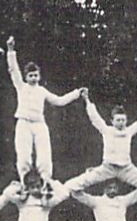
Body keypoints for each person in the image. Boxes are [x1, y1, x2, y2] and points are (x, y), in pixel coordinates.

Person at [5, 37, 84, 183]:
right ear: (26, 76)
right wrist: (10, 50)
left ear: (39, 76)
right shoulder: (21, 87)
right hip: (23, 123)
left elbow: (59, 101)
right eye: (30, 75)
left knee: (44, 155)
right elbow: (13, 69)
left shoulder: (42, 91)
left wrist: (76, 93)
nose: (33, 78)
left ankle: (46, 182)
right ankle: (24, 182)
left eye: (36, 75)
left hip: (39, 124)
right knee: (23, 155)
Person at [68, 93, 137, 196]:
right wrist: (87, 100)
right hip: (107, 168)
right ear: (112, 121)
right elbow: (94, 117)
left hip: (127, 169)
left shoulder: (129, 131)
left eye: (123, 120)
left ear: (126, 120)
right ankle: (61, 191)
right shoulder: (106, 130)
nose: (121, 122)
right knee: (83, 180)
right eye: (118, 120)